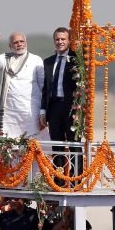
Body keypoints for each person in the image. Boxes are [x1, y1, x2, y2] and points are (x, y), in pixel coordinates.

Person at [0, 27, 46, 139]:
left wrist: (43, 110)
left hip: (30, 111)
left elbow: (43, 87)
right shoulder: (5, 58)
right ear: (10, 46)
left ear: (26, 43)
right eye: (16, 42)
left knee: (31, 145)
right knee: (8, 145)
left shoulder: (36, 60)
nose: (19, 44)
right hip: (9, 112)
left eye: (21, 41)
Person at [40, 27, 81, 180]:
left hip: (72, 108)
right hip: (54, 107)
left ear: (69, 41)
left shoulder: (77, 59)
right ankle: (58, 178)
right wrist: (43, 111)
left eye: (63, 39)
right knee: (56, 144)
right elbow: (45, 88)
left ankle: (76, 178)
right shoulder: (48, 62)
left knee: (74, 144)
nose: (60, 42)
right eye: (57, 39)